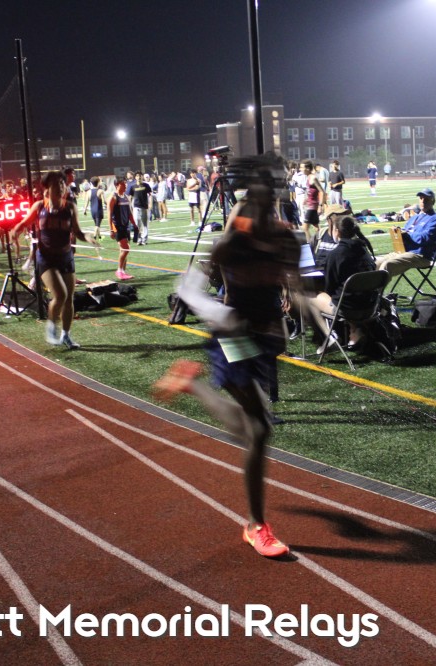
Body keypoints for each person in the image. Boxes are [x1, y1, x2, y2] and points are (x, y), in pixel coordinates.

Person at [153, 170, 300, 558]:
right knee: (260, 429)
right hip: (232, 337)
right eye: (259, 207)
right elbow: (187, 289)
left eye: (271, 205)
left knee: (248, 429)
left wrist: (291, 297)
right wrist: (221, 314)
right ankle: (256, 526)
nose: (267, 214)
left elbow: (295, 281)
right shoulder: (231, 244)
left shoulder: (284, 237)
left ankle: (191, 384)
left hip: (263, 338)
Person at [11, 170, 87, 348]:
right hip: (46, 258)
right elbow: (24, 223)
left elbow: (77, 232)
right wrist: (16, 230)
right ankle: (51, 327)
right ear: (47, 188)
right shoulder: (39, 207)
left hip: (66, 257)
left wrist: (88, 237)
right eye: (55, 184)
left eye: (62, 183)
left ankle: (66, 335)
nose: (60, 187)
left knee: (69, 299)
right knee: (60, 295)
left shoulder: (70, 207)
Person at [309, 215, 376, 351]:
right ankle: (355, 330)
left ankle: (329, 335)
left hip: (349, 309)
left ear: (337, 231)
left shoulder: (336, 254)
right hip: (371, 306)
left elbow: (330, 287)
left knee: (310, 296)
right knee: (348, 296)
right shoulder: (364, 249)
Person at [376, 188, 436, 277]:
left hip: (420, 255)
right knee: (375, 264)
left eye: (426, 199)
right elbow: (405, 232)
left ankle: (377, 286)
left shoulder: (435, 219)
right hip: (404, 252)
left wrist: (407, 234)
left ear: (433, 201)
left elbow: (425, 238)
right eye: (421, 198)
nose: (423, 201)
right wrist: (398, 232)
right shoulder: (414, 218)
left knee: (387, 265)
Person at [107, 178, 134, 280]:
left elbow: (129, 213)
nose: (125, 185)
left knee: (123, 249)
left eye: (126, 183)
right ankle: (119, 270)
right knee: (126, 248)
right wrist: (111, 229)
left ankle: (123, 271)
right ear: (117, 185)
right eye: (123, 184)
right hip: (117, 227)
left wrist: (134, 225)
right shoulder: (113, 197)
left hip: (126, 226)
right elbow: (109, 215)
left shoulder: (126, 197)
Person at [301, 160, 325, 243]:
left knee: (305, 228)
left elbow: (322, 191)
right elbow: (310, 191)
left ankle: (310, 245)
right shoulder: (308, 177)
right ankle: (321, 242)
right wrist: (306, 199)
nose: (301, 169)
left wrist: (321, 206)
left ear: (307, 168)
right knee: (316, 227)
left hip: (312, 206)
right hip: (310, 205)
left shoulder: (313, 178)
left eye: (302, 167)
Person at [127, 171, 152, 245]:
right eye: (137, 176)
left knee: (145, 224)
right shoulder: (133, 187)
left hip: (144, 207)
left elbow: (150, 194)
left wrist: (150, 203)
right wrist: (129, 206)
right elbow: (130, 197)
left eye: (140, 176)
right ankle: (138, 238)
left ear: (142, 177)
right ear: (135, 177)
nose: (139, 177)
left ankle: (144, 239)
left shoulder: (146, 185)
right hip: (136, 207)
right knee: (136, 224)